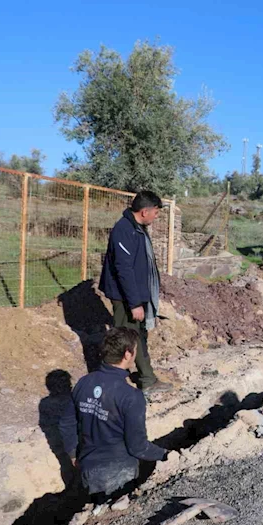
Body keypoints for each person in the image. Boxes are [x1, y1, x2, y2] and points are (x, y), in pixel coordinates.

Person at [59, 328, 173, 506]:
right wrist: (165, 455)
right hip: (121, 472)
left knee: (98, 509)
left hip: (89, 470)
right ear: (127, 354)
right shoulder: (131, 396)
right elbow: (138, 447)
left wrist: (73, 454)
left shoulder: (84, 382)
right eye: (135, 350)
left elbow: (66, 423)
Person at [99, 191, 171, 395]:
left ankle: (146, 378)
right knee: (122, 339)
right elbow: (124, 269)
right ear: (144, 211)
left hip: (134, 296)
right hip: (125, 298)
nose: (157, 216)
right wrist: (134, 303)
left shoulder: (136, 228)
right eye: (156, 212)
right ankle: (109, 385)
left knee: (137, 336)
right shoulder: (124, 230)